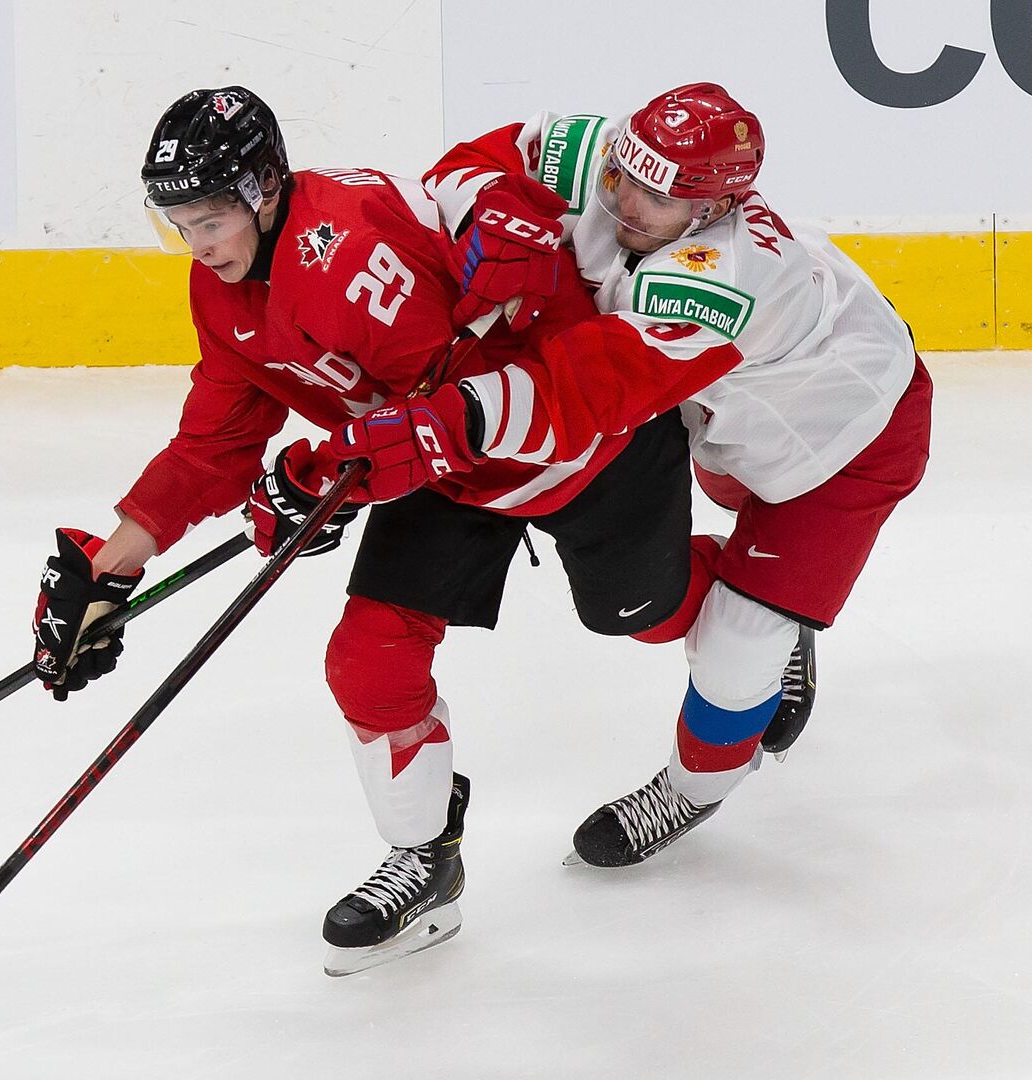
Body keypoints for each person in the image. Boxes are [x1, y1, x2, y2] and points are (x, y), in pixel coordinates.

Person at [29, 86, 699, 975]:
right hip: (448, 464)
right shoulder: (226, 282)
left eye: (213, 218)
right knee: (368, 658)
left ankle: (758, 629)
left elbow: (445, 411)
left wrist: (321, 480)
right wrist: (115, 561)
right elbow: (220, 437)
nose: (200, 246)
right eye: (179, 225)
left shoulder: (347, 254)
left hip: (568, 447)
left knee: (644, 616)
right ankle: (426, 861)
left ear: (266, 188)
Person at [300, 83, 932, 868]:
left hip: (845, 439)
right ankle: (770, 628)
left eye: (656, 198)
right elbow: (468, 167)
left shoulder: (724, 277)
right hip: (729, 425)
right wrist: (496, 205)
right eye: (621, 179)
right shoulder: (605, 155)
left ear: (712, 210)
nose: (626, 203)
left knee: (739, 644)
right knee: (720, 560)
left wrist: (448, 420)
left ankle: (694, 787)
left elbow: (589, 390)